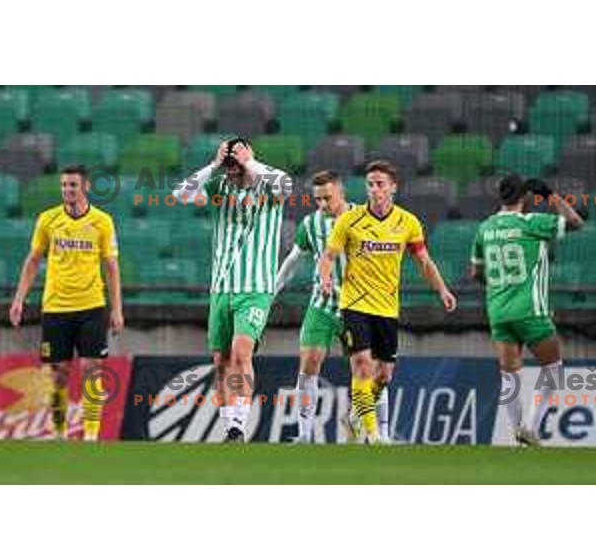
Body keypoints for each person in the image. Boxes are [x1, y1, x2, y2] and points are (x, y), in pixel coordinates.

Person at [318, 161, 457, 443]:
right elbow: (328, 256)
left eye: (380, 184)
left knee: (384, 376)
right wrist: (325, 279)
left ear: (393, 187)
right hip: (354, 303)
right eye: (370, 184)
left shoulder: (407, 222)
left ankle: (357, 414)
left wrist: (442, 290)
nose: (375, 189)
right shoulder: (349, 220)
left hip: (387, 307)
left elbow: (424, 261)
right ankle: (373, 434)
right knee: (363, 365)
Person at [173, 138, 291, 442]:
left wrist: (249, 161)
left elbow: (286, 185)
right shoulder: (219, 188)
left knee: (242, 351)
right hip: (222, 287)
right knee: (220, 361)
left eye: (236, 162)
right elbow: (181, 194)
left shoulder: (269, 187)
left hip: (255, 287)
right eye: (230, 162)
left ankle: (240, 422)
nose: (233, 168)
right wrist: (213, 165)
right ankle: (230, 429)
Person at [9, 165, 124, 441]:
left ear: (84, 187)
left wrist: (117, 309)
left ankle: (91, 435)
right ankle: (60, 432)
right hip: (56, 307)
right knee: (58, 373)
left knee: (92, 368)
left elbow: (111, 267)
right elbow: (33, 260)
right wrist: (19, 299)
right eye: (64, 186)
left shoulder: (102, 221)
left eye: (72, 185)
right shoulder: (48, 220)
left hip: (92, 306)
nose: (67, 191)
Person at [276, 170, 389, 443]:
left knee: (370, 371)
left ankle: (382, 434)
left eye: (328, 198)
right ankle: (304, 435)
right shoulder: (311, 224)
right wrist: (273, 291)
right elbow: (293, 260)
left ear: (341, 191)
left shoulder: (365, 218)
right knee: (309, 363)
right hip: (323, 306)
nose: (323, 205)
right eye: (318, 200)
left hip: (360, 307)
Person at [470, 174, 584, 445]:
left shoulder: (485, 228)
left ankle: (517, 434)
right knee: (553, 367)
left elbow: (475, 271)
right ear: (524, 197)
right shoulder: (532, 223)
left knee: (510, 376)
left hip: (498, 310)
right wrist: (550, 195)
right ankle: (530, 427)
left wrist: (496, 287)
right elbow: (576, 222)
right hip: (530, 309)